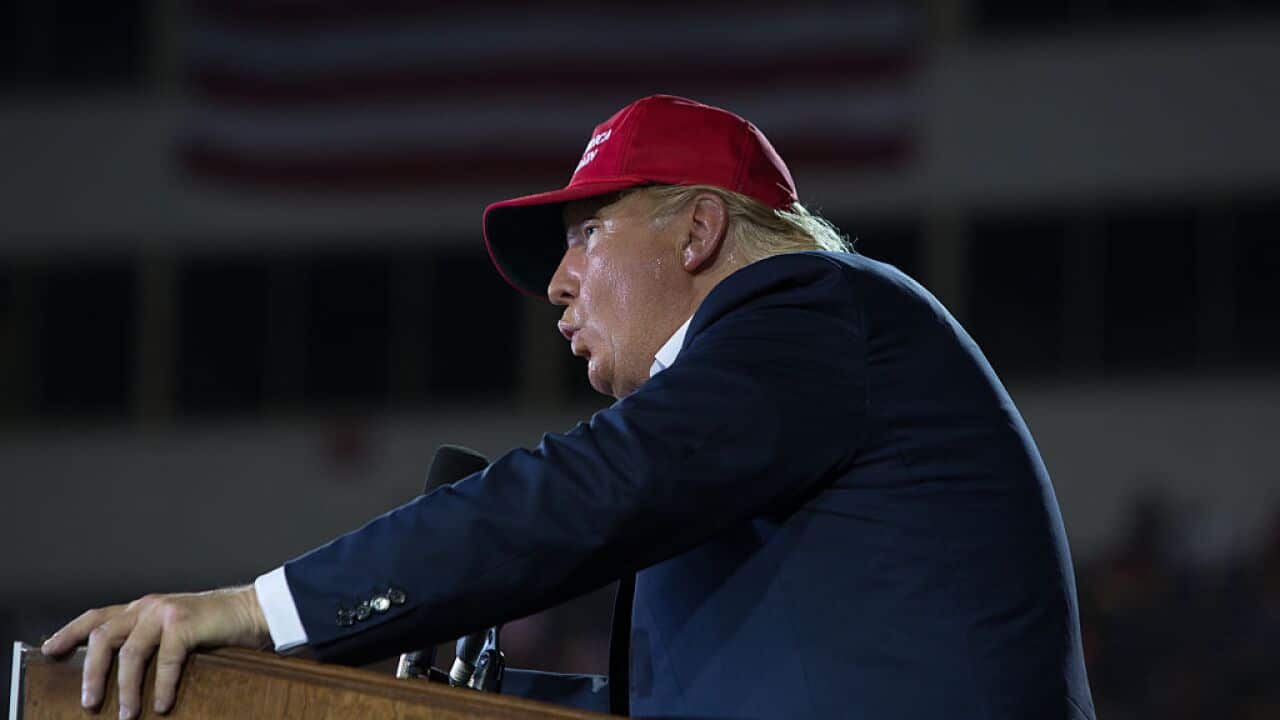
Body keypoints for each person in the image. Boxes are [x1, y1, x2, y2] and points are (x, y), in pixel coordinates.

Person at [43, 95, 1096, 719]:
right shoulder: (747, 434)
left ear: (695, 235)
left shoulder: (810, 311)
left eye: (585, 234)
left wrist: (257, 613)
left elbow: (588, 487)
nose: (555, 283)